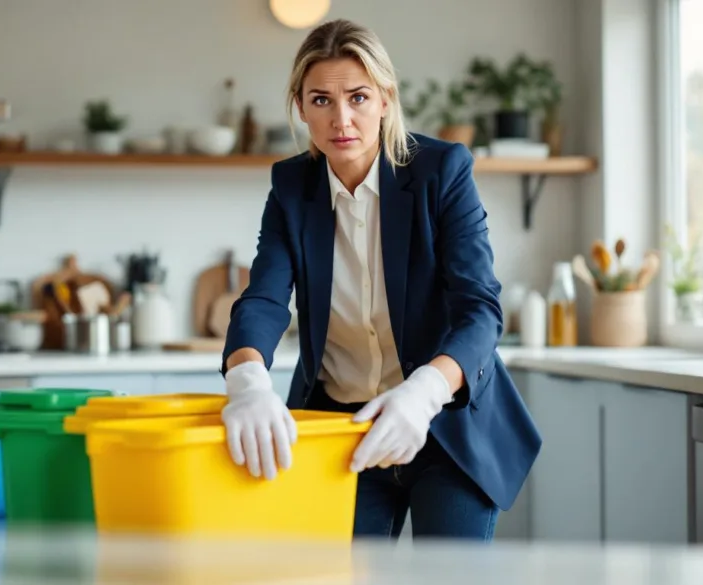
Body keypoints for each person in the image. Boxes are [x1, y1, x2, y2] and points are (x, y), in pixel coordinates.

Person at [218, 18, 542, 540]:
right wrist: (247, 381)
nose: (341, 118)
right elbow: (263, 299)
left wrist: (424, 392)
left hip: (444, 426)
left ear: (386, 99)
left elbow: (479, 309)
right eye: (321, 100)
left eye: (359, 97)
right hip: (340, 432)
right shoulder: (292, 186)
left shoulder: (442, 171)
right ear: (300, 107)